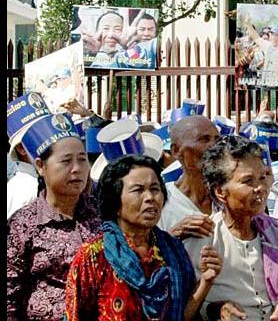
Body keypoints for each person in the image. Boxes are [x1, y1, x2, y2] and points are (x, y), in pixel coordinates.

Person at [64, 155, 222, 320]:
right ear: (115, 201)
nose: (150, 198)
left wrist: (205, 282)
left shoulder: (173, 250)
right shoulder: (94, 255)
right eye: (138, 190)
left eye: (155, 189)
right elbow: (75, 315)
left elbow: (181, 316)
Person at [184, 136, 278, 321]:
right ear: (221, 192)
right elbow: (186, 307)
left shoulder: (275, 232)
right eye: (248, 181)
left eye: (263, 177)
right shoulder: (204, 237)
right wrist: (216, 309)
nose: (260, 187)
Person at [7, 116, 101, 321]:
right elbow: (9, 295)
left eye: (82, 159)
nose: (77, 169)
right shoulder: (24, 224)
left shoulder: (102, 214)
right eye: (66, 161)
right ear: (41, 166)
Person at [157, 116, 221, 238]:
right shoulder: (161, 201)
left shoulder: (230, 197)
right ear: (176, 151)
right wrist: (172, 237)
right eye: (204, 139)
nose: (214, 146)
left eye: (218, 140)